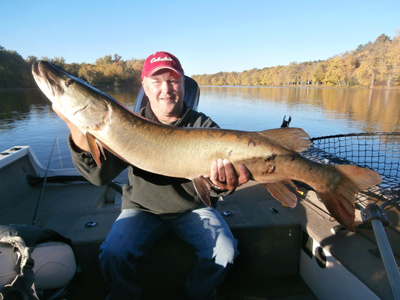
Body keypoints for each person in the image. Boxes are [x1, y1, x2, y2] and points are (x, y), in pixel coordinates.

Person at [54, 51, 250, 300]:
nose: (166, 89)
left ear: (183, 83)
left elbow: (214, 187)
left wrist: (221, 185)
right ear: (145, 87)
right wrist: (75, 125)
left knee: (225, 251)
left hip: (192, 208)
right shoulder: (125, 123)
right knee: (113, 253)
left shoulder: (205, 126)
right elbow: (97, 176)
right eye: (157, 82)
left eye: (173, 80)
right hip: (142, 208)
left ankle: (197, 294)